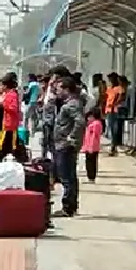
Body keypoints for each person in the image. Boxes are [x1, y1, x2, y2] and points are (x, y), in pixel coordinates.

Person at [51, 76, 85, 217]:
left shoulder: (71, 105)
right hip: (63, 144)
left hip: (65, 145)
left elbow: (80, 121)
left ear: (66, 89)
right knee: (69, 175)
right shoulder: (71, 103)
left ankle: (68, 206)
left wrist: (72, 136)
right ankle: (71, 205)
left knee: (66, 176)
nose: (57, 92)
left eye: (59, 89)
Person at [0, 72, 23, 162]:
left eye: (2, 85)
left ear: (6, 85)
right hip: (6, 124)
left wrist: (3, 104)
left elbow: (13, 108)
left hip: (10, 125)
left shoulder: (12, 94)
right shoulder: (7, 94)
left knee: (7, 146)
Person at [104, 73, 125, 156]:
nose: (110, 81)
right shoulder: (109, 88)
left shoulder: (119, 88)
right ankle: (113, 145)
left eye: (111, 79)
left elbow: (121, 97)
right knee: (110, 128)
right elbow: (106, 97)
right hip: (108, 110)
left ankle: (114, 146)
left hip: (115, 110)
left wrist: (114, 104)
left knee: (114, 129)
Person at [82, 107, 103, 183]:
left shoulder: (96, 124)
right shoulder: (91, 124)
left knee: (91, 163)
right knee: (88, 162)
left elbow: (94, 136)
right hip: (88, 146)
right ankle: (90, 177)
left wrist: (91, 147)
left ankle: (91, 177)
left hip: (93, 147)